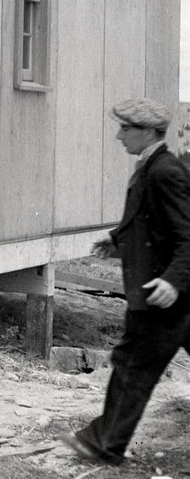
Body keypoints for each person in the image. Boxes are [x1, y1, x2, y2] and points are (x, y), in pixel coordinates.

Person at [62, 98, 190, 465]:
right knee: (133, 367)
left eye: (125, 129)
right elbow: (153, 222)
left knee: (133, 368)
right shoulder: (151, 166)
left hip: (164, 296)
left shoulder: (164, 172)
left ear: (148, 131)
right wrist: (118, 239)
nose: (119, 136)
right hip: (171, 295)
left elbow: (186, 235)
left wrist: (173, 281)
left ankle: (104, 444)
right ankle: (103, 440)